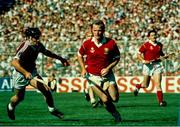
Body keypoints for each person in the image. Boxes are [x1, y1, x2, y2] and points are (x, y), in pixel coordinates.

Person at [7, 27, 69, 120]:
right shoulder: (24, 47)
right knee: (19, 97)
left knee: (46, 90)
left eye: (38, 37)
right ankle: (10, 107)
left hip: (32, 72)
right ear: (29, 37)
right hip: (20, 74)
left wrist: (61, 59)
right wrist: (25, 73)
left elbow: (47, 52)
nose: (38, 39)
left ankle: (52, 110)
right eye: (36, 37)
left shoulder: (38, 45)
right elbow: (14, 63)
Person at [77, 20, 121, 122]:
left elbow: (117, 58)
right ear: (92, 31)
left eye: (99, 30)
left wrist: (108, 68)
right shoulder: (87, 43)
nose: (97, 33)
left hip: (108, 75)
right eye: (95, 30)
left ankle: (100, 92)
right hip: (92, 76)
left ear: (104, 30)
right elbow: (79, 55)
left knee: (115, 99)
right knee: (105, 99)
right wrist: (83, 69)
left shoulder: (111, 43)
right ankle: (115, 114)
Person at [133, 30, 167, 107]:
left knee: (158, 83)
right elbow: (138, 54)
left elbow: (161, 53)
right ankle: (138, 86)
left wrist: (164, 56)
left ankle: (161, 102)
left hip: (157, 65)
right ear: (149, 37)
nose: (154, 36)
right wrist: (143, 60)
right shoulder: (145, 45)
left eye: (155, 35)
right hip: (148, 66)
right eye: (152, 35)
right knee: (145, 85)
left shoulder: (159, 45)